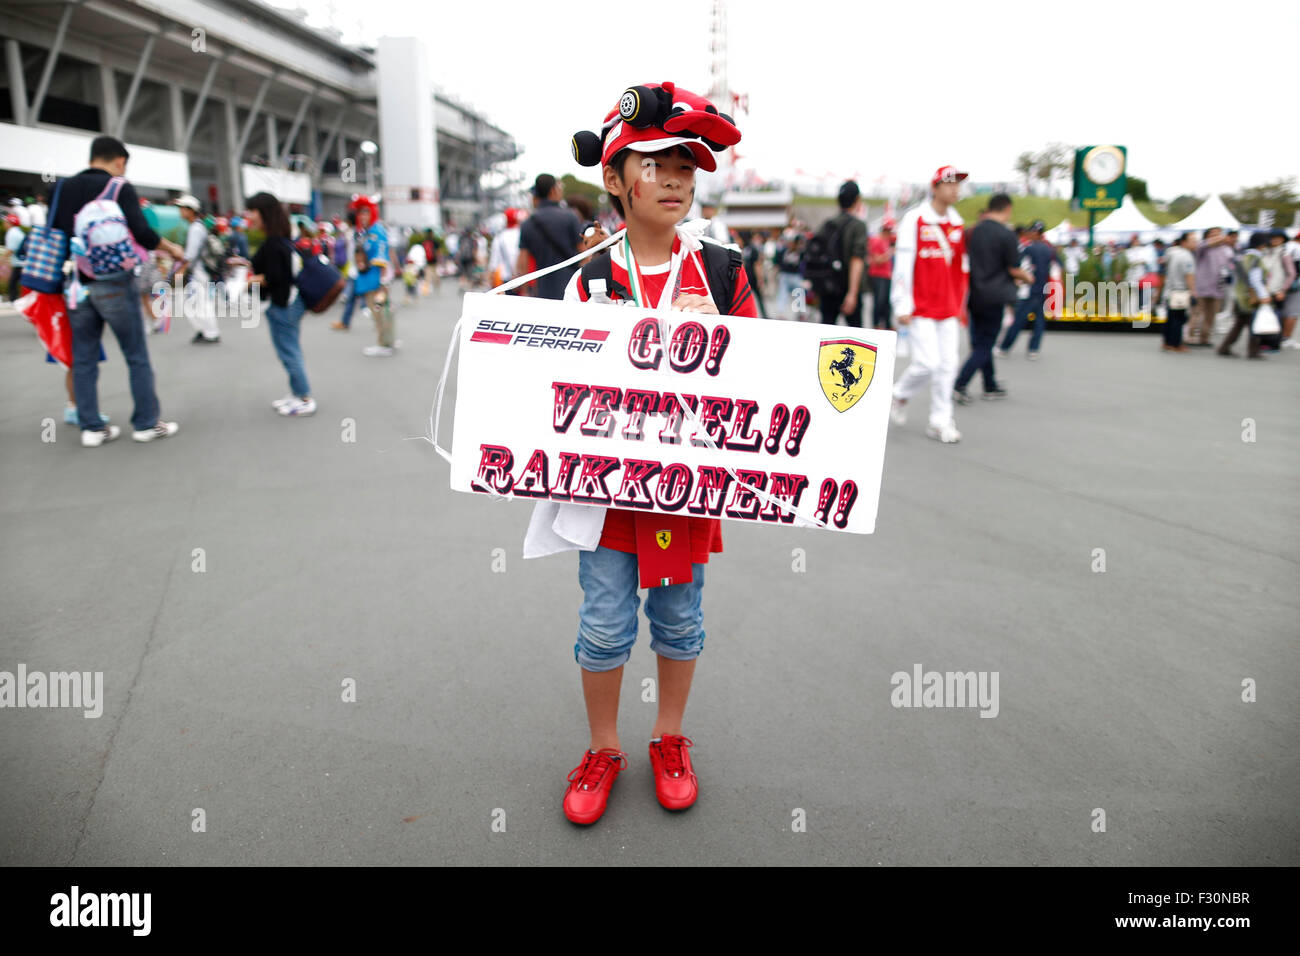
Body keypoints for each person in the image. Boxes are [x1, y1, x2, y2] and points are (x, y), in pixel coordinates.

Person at [546, 80, 754, 826]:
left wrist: (728, 339)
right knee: (603, 623)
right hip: (602, 494)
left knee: (680, 618)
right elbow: (542, 387)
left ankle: (669, 738)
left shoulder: (724, 272)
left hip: (687, 489)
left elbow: (767, 385)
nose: (672, 179)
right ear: (613, 178)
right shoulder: (581, 280)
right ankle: (603, 747)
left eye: (686, 168)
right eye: (655, 163)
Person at [55, 135, 184, 446]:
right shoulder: (119, 187)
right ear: (120, 161)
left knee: (83, 358)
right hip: (114, 282)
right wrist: (172, 249)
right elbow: (141, 231)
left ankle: (91, 429)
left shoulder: (63, 187)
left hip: (76, 285)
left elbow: (56, 234)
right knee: (136, 354)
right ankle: (145, 424)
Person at [890, 165, 970, 443]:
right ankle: (899, 394)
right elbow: (902, 264)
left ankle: (940, 420)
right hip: (920, 306)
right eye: (949, 183)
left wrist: (961, 306)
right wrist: (901, 304)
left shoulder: (958, 224)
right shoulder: (915, 220)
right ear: (935, 187)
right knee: (927, 363)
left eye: (958, 184)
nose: (954, 188)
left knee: (948, 365)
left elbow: (961, 269)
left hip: (948, 306)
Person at [242, 192, 315, 416]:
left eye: (252, 211)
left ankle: (303, 397)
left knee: (289, 351)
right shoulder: (278, 238)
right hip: (286, 303)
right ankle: (296, 394)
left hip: (284, 304)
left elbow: (274, 277)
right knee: (289, 349)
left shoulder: (274, 242)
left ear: (264, 213)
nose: (249, 216)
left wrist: (248, 281)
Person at [955, 194, 1027, 403]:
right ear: (1007, 208)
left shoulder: (971, 232)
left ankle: (990, 384)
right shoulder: (1006, 234)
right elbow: (1014, 268)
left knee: (979, 341)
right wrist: (1028, 277)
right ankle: (960, 384)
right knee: (986, 344)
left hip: (973, 294)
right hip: (995, 295)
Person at [516, 174, 581, 300]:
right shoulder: (570, 217)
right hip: (571, 291)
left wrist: (524, 292)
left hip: (542, 292)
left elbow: (522, 266)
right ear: (553, 191)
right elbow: (584, 254)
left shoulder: (528, 224)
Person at [996, 220, 1054, 358]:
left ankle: (1004, 347)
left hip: (1029, 289)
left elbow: (1019, 266)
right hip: (1043, 289)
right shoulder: (1049, 249)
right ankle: (1033, 350)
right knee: (1039, 321)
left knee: (1019, 320)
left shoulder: (1029, 249)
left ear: (1035, 232)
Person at [814, 181, 867, 327]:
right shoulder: (858, 226)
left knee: (825, 335)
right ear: (857, 200)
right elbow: (857, 259)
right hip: (847, 287)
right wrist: (852, 293)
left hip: (828, 287)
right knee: (856, 339)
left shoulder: (828, 224)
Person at [349, 196, 394, 356]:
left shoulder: (376, 231)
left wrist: (382, 281)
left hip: (376, 280)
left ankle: (384, 343)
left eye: (366, 213)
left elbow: (382, 256)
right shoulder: (367, 232)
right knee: (381, 310)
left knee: (379, 311)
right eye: (360, 213)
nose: (362, 217)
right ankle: (388, 341)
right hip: (370, 279)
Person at [1217, 231, 1272, 359]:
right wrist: (1263, 295)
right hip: (1249, 297)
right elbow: (1255, 279)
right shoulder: (1255, 258)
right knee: (1253, 324)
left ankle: (1225, 347)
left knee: (1240, 323)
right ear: (1262, 244)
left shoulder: (1243, 256)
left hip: (1239, 294)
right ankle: (1253, 351)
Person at [174, 194, 220, 344]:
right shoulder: (198, 227)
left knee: (201, 302)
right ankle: (205, 330)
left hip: (199, 272)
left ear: (190, 210)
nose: (180, 211)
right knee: (196, 302)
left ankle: (211, 333)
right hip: (199, 271)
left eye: (182, 208)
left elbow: (191, 255)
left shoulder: (196, 228)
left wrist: (181, 270)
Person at [1188, 227, 1234, 346]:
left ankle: (1205, 338)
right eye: (1213, 234)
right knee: (1197, 313)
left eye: (1219, 234)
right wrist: (1221, 238)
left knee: (1211, 315)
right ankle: (1191, 336)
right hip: (1201, 286)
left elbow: (1230, 266)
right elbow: (1204, 245)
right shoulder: (1202, 247)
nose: (1217, 237)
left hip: (1217, 287)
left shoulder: (1226, 250)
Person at [1161, 232, 1197, 352]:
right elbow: (1189, 275)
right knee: (1179, 318)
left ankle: (1167, 342)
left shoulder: (1172, 253)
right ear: (1184, 242)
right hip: (1180, 291)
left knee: (1171, 317)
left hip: (1169, 289)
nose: (1195, 243)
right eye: (1193, 241)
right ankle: (1176, 344)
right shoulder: (1187, 256)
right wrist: (1193, 291)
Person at [867, 217, 895, 330]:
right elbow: (877, 260)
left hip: (887, 275)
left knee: (887, 302)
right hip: (877, 275)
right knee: (879, 300)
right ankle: (876, 323)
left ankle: (887, 323)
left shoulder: (887, 241)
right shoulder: (876, 240)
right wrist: (889, 254)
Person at [5, 212, 25, 301]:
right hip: (23, 261)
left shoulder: (11, 233)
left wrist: (2, 259)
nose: (4, 224)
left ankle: (13, 299)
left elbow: (11, 249)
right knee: (19, 282)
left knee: (13, 282)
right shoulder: (20, 231)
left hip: (18, 263)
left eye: (6, 222)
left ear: (10, 223)